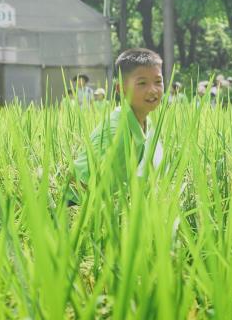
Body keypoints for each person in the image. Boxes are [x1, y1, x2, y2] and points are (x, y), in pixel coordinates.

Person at [66, 48, 164, 205]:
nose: (153, 90)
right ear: (120, 89)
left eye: (158, 82)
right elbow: (82, 182)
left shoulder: (147, 123)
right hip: (78, 204)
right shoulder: (116, 131)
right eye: (142, 83)